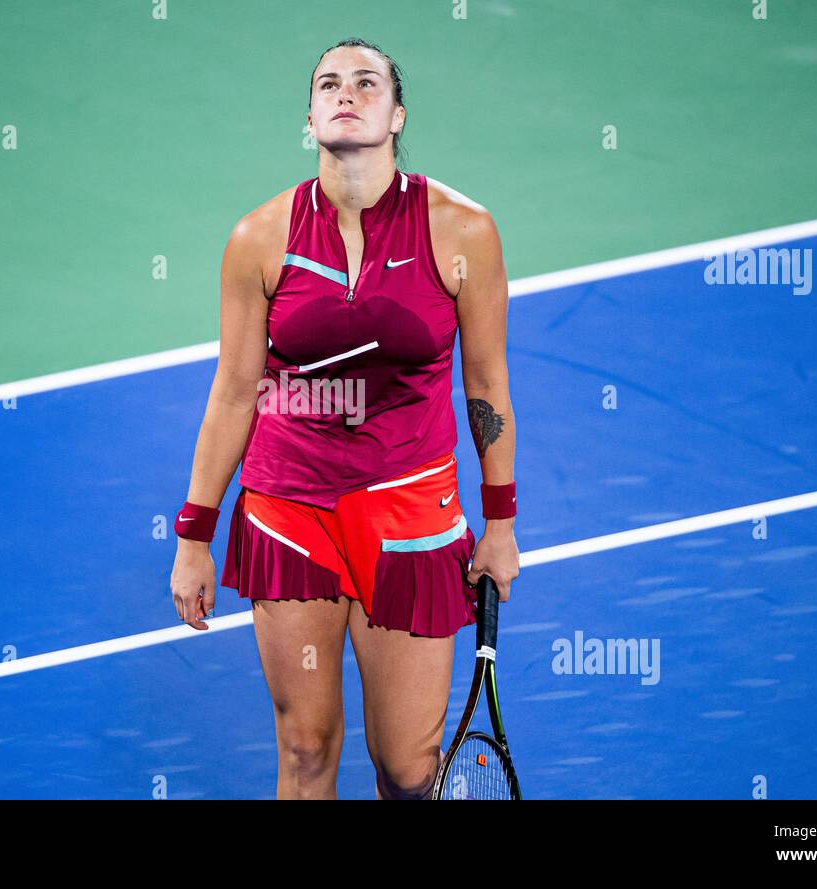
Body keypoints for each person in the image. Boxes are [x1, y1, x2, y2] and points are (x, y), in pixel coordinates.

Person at [170, 38, 519, 800]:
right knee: (304, 748)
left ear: (398, 115)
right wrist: (194, 533)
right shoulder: (259, 239)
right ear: (310, 117)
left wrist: (499, 522)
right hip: (289, 509)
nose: (346, 93)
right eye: (329, 83)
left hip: (409, 515)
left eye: (367, 83)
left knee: (406, 767)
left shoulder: (463, 232)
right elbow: (235, 390)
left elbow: (486, 383)